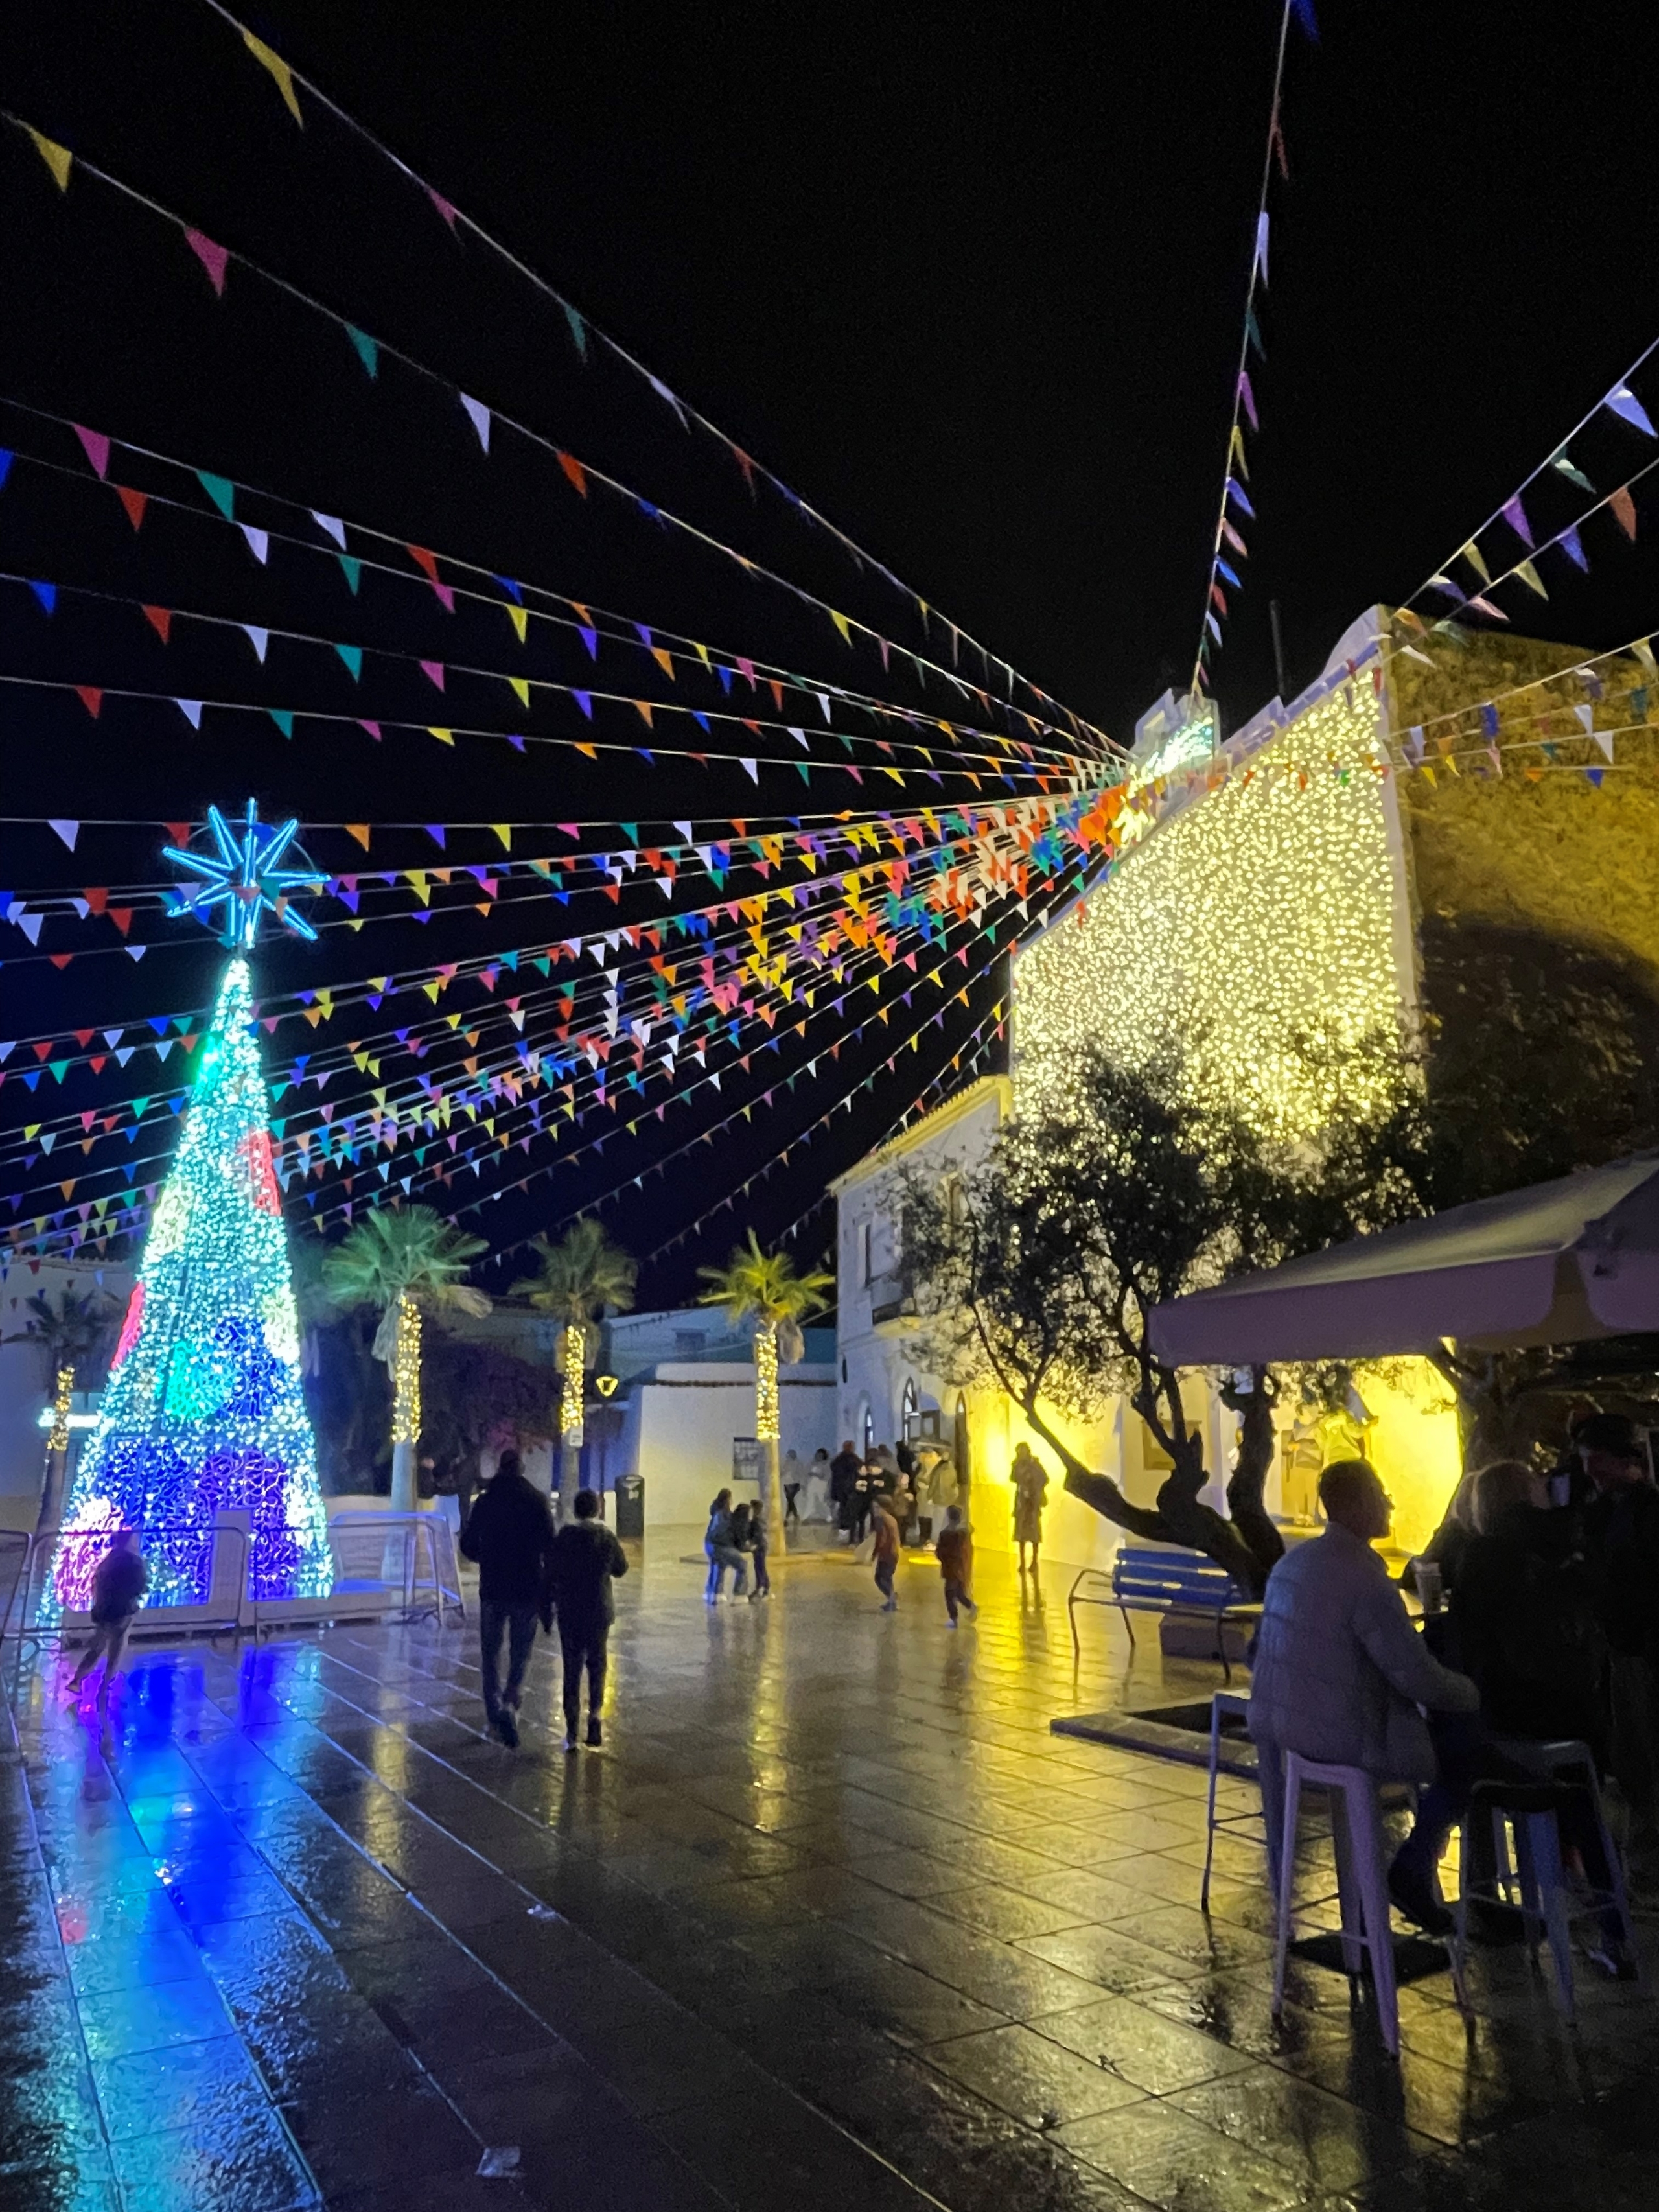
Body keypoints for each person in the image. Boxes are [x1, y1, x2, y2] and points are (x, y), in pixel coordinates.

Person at [1248, 1459, 1481, 1933]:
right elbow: (1417, 1677)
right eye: (1380, 1492)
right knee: (1468, 1752)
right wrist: (1472, 1691)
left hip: (1290, 1732)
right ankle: (1414, 1868)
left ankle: (1392, 1894)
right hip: (1346, 1737)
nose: (1389, 1503)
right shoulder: (1364, 1578)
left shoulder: (1293, 1563)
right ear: (1355, 1504)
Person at [1577, 1412, 1659, 1846]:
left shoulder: (1643, 1510)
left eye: (1599, 1457)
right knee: (1633, 1746)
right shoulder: (1607, 1508)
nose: (1591, 1468)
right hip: (1622, 1644)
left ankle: (1647, 1836)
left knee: (1641, 1742)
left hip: (1638, 1644)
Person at [459, 1449, 555, 1748]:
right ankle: (512, 1700)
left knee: (490, 1652)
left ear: (501, 1469)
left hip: (494, 1586)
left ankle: (493, 1710)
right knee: (520, 1651)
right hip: (526, 1587)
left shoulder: (486, 1502)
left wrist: (487, 1558)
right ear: (522, 1469)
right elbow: (548, 1544)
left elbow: (468, 1544)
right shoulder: (537, 1501)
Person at [548, 1488, 627, 1752]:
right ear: (597, 1510)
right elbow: (621, 1568)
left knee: (572, 1667)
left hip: (570, 1610)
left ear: (575, 1510)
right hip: (598, 1610)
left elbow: (552, 1571)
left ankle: (571, 1730)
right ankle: (594, 1717)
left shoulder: (565, 1538)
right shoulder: (605, 1537)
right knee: (597, 1664)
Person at [67, 1528, 147, 1716]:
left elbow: (97, 1583)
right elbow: (140, 1586)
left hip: (104, 1611)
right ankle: (105, 1687)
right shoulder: (134, 1563)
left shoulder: (108, 1561)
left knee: (97, 1646)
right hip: (123, 1612)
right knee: (116, 1651)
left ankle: (77, 1679)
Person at [704, 1488, 748, 1603]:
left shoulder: (716, 1511)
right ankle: (740, 1595)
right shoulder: (728, 1515)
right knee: (742, 1565)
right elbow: (737, 1539)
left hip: (709, 1544)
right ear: (728, 1500)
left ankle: (715, 1593)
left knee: (719, 1564)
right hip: (722, 1546)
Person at [936, 1504, 977, 1626]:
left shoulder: (947, 1534)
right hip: (960, 1568)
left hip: (951, 1568)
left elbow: (941, 1552)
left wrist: (943, 1558)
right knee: (958, 1592)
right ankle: (971, 1606)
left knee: (949, 1592)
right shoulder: (964, 1534)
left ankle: (954, 1618)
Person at [1011, 1442, 1048, 1576]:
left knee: (1034, 1535)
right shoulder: (1017, 1465)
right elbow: (1013, 1478)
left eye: (1023, 1451)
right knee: (1021, 1534)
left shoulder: (1035, 1464)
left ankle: (1034, 1561)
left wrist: (1034, 1486)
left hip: (1032, 1502)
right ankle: (1022, 1562)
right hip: (1022, 1501)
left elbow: (1045, 1479)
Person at [871, 1493, 901, 1611]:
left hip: (887, 1554)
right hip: (893, 1553)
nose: (875, 1511)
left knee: (880, 1578)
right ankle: (891, 1601)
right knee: (887, 1578)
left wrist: (875, 1554)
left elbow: (882, 1539)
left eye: (877, 1508)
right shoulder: (891, 1519)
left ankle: (892, 1598)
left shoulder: (882, 1520)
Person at [830, 1441, 863, 1543]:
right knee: (849, 1511)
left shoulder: (839, 1459)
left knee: (844, 1511)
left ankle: (845, 1532)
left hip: (843, 1489)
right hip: (850, 1490)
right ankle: (848, 1533)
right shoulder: (854, 1460)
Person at [804, 1448, 833, 1523]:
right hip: (812, 1484)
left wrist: (816, 1474)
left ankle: (828, 1516)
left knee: (822, 1500)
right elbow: (806, 1473)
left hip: (821, 1484)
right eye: (818, 1455)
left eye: (820, 1455)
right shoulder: (812, 1463)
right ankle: (807, 1515)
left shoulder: (826, 1464)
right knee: (810, 1499)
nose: (819, 1456)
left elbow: (826, 1476)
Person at [782, 1449, 804, 1528]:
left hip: (795, 1483)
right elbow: (783, 1472)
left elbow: (800, 1474)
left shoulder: (798, 1464)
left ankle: (787, 1518)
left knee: (790, 1500)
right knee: (790, 1501)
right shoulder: (786, 1463)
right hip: (787, 1483)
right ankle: (795, 1515)